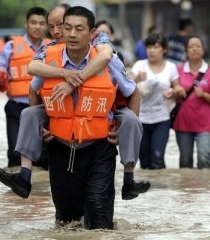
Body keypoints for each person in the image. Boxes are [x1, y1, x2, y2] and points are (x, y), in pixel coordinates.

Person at [0, 4, 149, 201]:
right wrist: (64, 76)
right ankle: (24, 176)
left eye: (62, 25)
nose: (59, 31)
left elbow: (110, 62)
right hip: (62, 123)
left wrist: (75, 81)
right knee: (29, 114)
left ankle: (129, 178)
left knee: (131, 121)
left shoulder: (101, 44)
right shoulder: (49, 51)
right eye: (55, 27)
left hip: (103, 113)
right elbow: (33, 74)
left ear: (89, 31)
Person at [39, 6, 139, 229]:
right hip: (60, 145)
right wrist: (42, 126)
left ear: (92, 32)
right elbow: (34, 92)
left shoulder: (109, 60)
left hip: (99, 147)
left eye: (79, 29)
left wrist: (123, 131)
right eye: (67, 28)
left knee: (99, 215)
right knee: (67, 221)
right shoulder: (49, 60)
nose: (72, 34)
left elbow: (134, 92)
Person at [0, 6, 47, 168]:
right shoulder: (11, 47)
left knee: (44, 157)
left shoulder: (51, 47)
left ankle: (40, 190)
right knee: (15, 153)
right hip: (17, 107)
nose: (37, 27)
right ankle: (13, 185)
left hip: (44, 108)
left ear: (46, 26)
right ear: (26, 24)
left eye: (41, 23)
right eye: (33, 22)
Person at [172, 35, 210, 169]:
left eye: (198, 46)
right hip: (183, 124)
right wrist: (176, 91)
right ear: (186, 51)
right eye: (191, 47)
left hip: (205, 125)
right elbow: (170, 91)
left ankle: (204, 188)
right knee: (185, 162)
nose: (194, 49)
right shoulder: (178, 70)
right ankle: (186, 190)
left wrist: (204, 95)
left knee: (204, 159)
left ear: (203, 50)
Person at [131, 33, 179, 169]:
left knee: (157, 158)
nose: (151, 50)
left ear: (164, 49)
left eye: (156, 47)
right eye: (149, 47)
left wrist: (172, 92)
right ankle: (150, 190)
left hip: (161, 119)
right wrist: (138, 79)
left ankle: (162, 188)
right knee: (144, 161)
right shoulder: (140, 65)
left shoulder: (171, 67)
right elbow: (127, 83)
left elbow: (178, 88)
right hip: (140, 119)